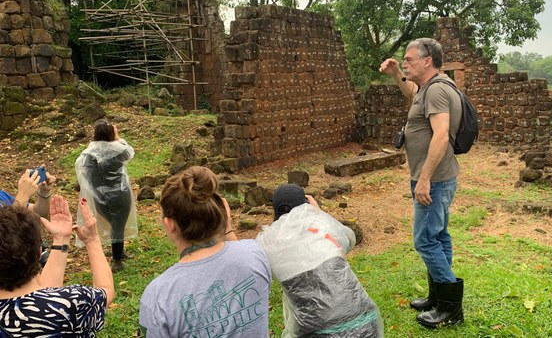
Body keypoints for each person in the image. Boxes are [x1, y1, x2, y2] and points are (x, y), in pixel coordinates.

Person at [379, 37, 464, 328]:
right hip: (436, 177)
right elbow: (412, 94)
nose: (405, 62)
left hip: (435, 179)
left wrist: (424, 179)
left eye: (409, 59)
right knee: (439, 236)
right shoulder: (430, 87)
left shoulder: (438, 91)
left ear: (428, 61)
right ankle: (438, 297)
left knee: (425, 239)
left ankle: (451, 308)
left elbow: (440, 135)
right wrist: (396, 76)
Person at [139, 166, 271, 337]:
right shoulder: (254, 254)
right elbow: (240, 258)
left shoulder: (158, 295)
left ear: (169, 224)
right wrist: (227, 228)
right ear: (222, 212)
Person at [256, 183, 383, 337]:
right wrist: (318, 213)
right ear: (306, 204)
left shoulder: (267, 242)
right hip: (365, 320)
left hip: (318, 332)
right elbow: (349, 239)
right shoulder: (321, 226)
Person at [0, 194, 114, 336]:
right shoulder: (71, 303)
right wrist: (92, 241)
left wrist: (61, 238)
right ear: (39, 250)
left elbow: (42, 293)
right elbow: (106, 290)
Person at [76, 119, 138, 271]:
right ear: (112, 133)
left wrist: (99, 189)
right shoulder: (118, 150)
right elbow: (129, 152)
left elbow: (86, 174)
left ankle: (119, 252)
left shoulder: (89, 153)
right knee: (118, 226)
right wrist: (117, 138)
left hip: (100, 197)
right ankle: (117, 260)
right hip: (120, 195)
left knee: (115, 225)